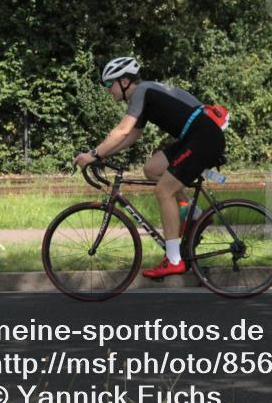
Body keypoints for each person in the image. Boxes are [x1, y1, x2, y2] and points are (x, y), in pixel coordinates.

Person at [74, 56, 227, 279]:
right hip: (196, 136)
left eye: (110, 84)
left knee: (164, 190)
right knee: (152, 168)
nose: (109, 90)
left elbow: (122, 130)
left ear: (125, 81)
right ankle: (195, 215)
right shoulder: (146, 94)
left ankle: (174, 260)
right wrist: (103, 155)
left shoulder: (141, 92)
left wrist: (93, 154)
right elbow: (132, 136)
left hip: (203, 138)